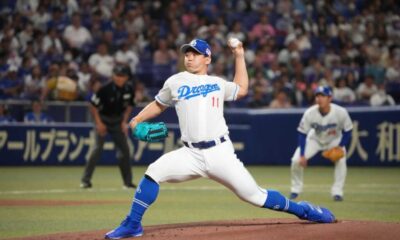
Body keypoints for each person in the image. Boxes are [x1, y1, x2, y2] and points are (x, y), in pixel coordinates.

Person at [104, 39, 336, 239]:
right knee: (154, 171)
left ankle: (304, 210)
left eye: (195, 54)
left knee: (255, 196)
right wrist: (136, 120)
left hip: (220, 153)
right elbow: (158, 105)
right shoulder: (174, 81)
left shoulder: (217, 83)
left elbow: (242, 88)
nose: (189, 57)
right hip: (190, 154)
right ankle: (133, 224)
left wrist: (239, 55)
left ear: (207, 58)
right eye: (187, 53)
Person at [289, 86, 353, 202]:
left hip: (334, 140)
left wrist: (340, 146)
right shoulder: (310, 113)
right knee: (295, 160)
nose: (319, 98)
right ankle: (296, 189)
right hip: (315, 139)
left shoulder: (340, 112)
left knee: (341, 160)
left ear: (330, 98)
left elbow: (348, 130)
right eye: (317, 96)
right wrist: (303, 155)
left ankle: (337, 192)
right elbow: (302, 134)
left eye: (322, 96)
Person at [80, 64, 136, 189]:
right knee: (97, 149)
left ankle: (127, 183)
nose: (119, 78)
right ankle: (85, 180)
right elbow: (93, 106)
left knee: (125, 151)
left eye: (122, 76)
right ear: (113, 76)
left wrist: (124, 122)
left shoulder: (129, 89)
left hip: (118, 121)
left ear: (127, 77)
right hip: (103, 119)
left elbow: (130, 105)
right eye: (117, 75)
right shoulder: (104, 88)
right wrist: (99, 123)